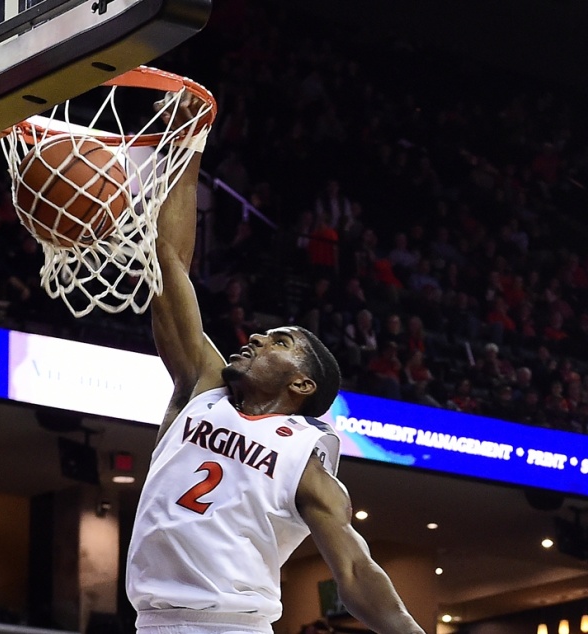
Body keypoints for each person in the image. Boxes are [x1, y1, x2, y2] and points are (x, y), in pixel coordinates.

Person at [125, 94, 424, 634]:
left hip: (233, 626)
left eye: (279, 341)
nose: (258, 337)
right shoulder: (203, 387)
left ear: (303, 383)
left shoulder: (306, 460)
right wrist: (190, 146)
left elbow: (355, 571)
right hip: (153, 622)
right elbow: (169, 264)